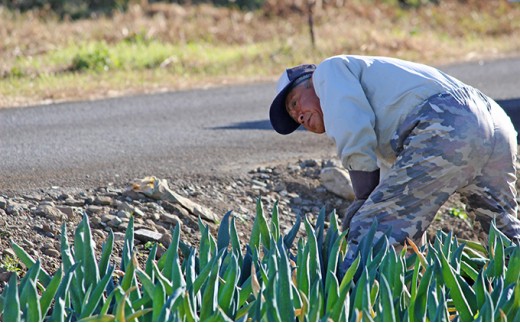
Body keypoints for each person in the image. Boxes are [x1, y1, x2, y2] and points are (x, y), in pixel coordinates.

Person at [268, 55, 520, 260]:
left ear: (310, 82)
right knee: (502, 233)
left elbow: (350, 127)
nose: (299, 117)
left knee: (369, 232)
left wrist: (365, 199)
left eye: (294, 104)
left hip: (448, 121)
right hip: (497, 126)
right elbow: (399, 202)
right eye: (294, 119)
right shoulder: (387, 116)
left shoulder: (328, 71)